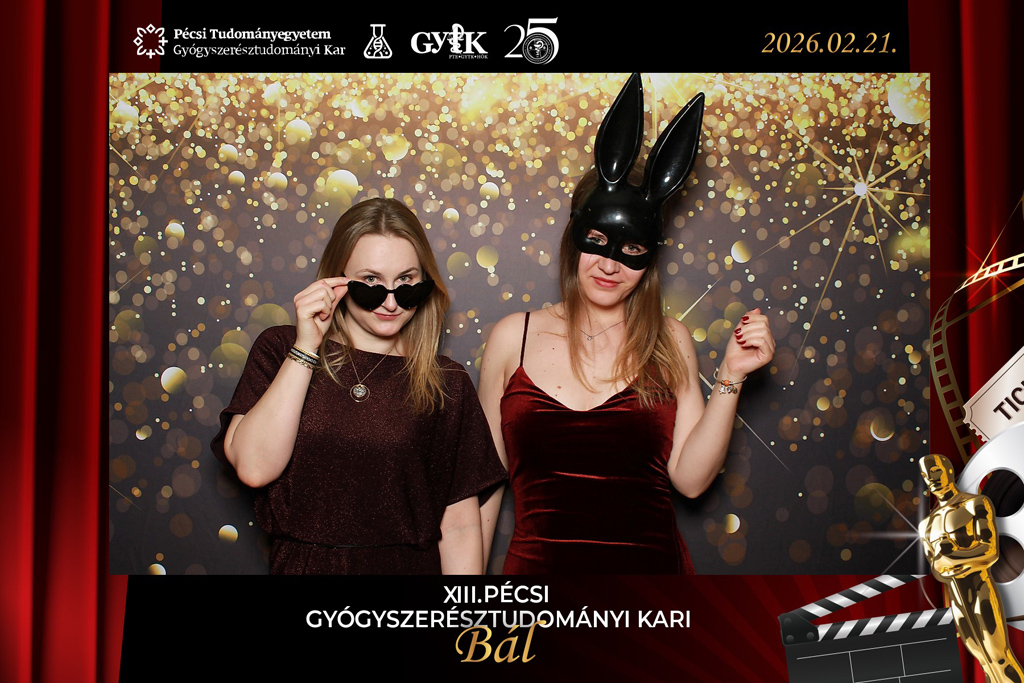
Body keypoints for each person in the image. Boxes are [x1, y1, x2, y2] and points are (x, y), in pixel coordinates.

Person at [478, 73, 775, 574]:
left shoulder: (670, 339)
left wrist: (731, 376)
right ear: (575, 235)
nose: (610, 265)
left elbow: (690, 481)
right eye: (597, 242)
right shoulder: (513, 337)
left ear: (649, 256)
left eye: (631, 249)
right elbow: (484, 485)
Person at [212, 197, 507, 575]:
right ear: (337, 280)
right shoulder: (280, 348)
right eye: (371, 282)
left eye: (406, 281)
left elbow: (460, 526)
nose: (390, 302)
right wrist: (306, 348)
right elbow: (254, 468)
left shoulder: (445, 382)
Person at [919, 453, 1024, 682]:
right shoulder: (926, 525)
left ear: (948, 471)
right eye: (926, 475)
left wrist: (952, 556)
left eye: (935, 471)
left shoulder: (975, 504)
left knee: (999, 657)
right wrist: (954, 559)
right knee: (984, 662)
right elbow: (936, 569)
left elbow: (989, 551)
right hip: (957, 600)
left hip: (980, 589)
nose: (931, 478)